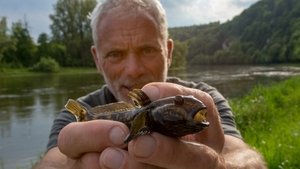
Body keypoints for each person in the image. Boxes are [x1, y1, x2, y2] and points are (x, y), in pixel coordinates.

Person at [35, 0, 266, 168]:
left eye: (147, 50)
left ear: (168, 52)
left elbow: (245, 157)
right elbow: (52, 162)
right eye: (115, 54)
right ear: (97, 59)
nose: (134, 69)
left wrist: (220, 166)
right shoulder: (75, 114)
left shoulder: (204, 98)